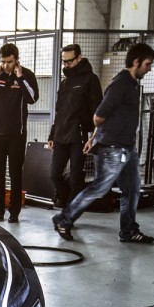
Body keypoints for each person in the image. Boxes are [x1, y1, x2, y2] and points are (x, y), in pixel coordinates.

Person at [52, 42, 154, 244]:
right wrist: (97, 137)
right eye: (147, 64)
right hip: (112, 147)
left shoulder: (131, 84)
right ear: (136, 62)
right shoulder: (120, 84)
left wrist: (93, 138)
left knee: (132, 190)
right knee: (99, 188)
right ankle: (64, 219)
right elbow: (98, 116)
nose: (150, 68)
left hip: (127, 148)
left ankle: (128, 231)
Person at [0, 43, 39, 223]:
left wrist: (20, 78)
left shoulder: (26, 75)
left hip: (17, 134)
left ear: (16, 60)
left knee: (15, 173)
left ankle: (14, 212)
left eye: (9, 62)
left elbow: (32, 98)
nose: (6, 65)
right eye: (3, 61)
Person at [47, 44, 103, 209]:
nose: (66, 65)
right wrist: (52, 135)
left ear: (79, 58)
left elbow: (98, 112)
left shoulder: (91, 79)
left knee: (75, 177)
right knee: (54, 175)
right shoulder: (65, 83)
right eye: (64, 62)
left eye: (69, 61)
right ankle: (66, 201)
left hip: (79, 136)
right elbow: (59, 111)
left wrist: (93, 138)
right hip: (61, 135)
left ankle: (70, 212)